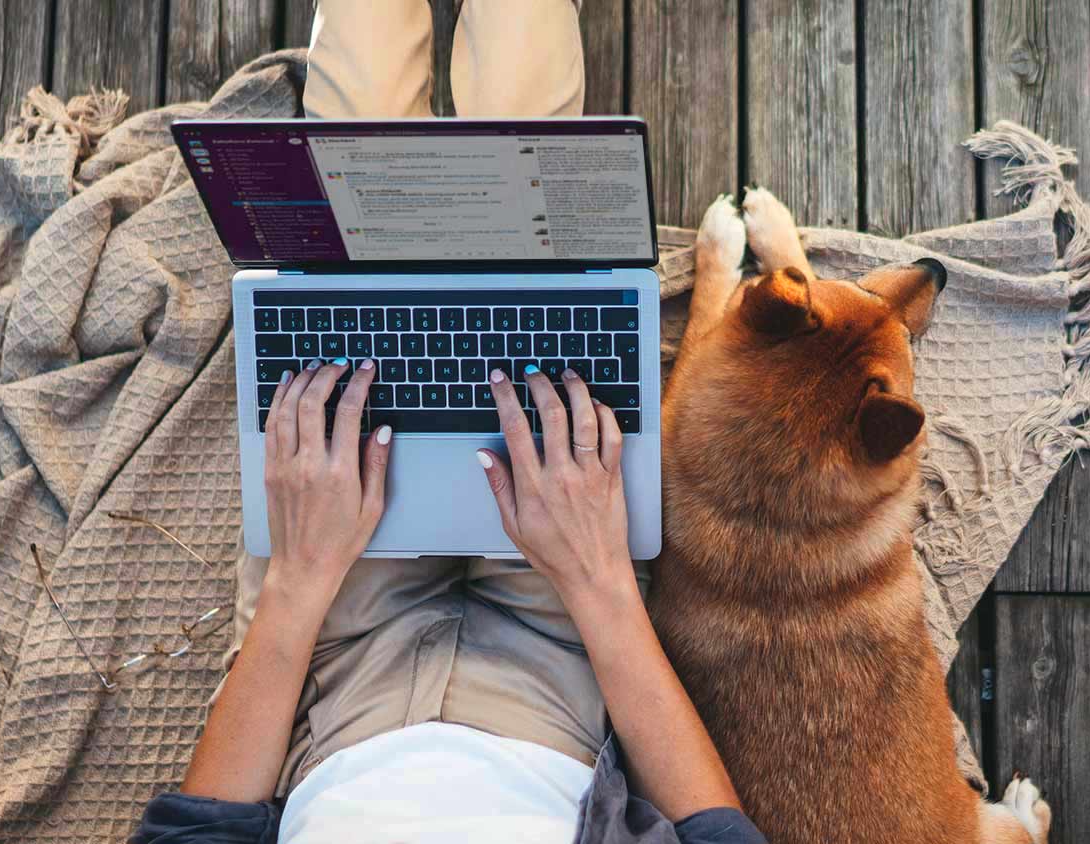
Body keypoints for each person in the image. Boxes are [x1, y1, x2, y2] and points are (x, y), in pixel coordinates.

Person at [133, 3, 765, 842]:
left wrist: (295, 583)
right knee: (528, 223)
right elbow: (715, 828)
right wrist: (601, 582)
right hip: (569, 656)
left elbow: (199, 828)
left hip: (329, 665)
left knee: (352, 228)